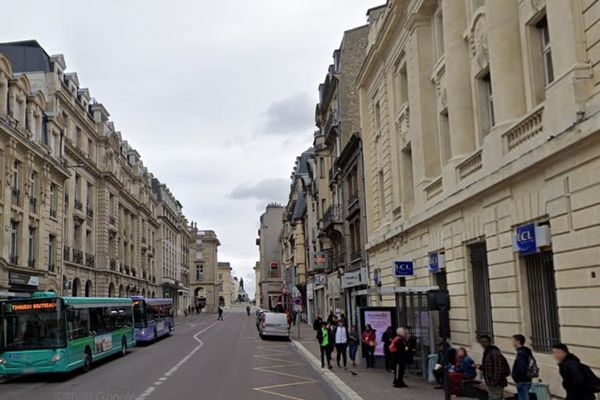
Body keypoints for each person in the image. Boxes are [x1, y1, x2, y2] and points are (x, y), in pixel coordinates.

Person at [478, 335, 510, 400]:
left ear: (489, 342)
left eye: (485, 342)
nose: (483, 344)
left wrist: (494, 382)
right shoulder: (488, 352)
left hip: (496, 382)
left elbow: (497, 368)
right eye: (481, 342)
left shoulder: (493, 352)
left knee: (495, 397)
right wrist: (481, 367)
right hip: (492, 382)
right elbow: (490, 366)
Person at [512, 334, 537, 400]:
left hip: (522, 380)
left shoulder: (521, 353)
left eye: (513, 341)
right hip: (527, 379)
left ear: (518, 341)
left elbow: (521, 368)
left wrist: (515, 376)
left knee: (523, 398)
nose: (512, 343)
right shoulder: (526, 351)